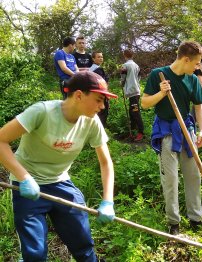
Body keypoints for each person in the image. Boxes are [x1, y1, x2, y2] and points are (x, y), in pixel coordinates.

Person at [0, 71, 117, 261]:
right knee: (35, 255)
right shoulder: (42, 112)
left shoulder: (91, 122)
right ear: (79, 95)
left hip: (60, 183)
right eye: (98, 100)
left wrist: (108, 201)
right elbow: (1, 141)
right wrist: (24, 177)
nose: (102, 106)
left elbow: (106, 162)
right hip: (28, 187)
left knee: (84, 246)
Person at [141, 41, 202, 235]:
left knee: (193, 176)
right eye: (196, 63)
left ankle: (195, 218)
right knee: (170, 178)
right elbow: (144, 103)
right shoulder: (158, 75)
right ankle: (173, 222)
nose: (197, 67)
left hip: (187, 130)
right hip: (166, 131)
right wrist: (161, 93)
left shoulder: (192, 79)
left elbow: (199, 106)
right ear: (186, 59)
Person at [120, 49, 144, 142]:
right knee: (132, 112)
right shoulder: (136, 66)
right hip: (136, 91)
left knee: (135, 112)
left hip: (131, 91)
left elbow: (123, 77)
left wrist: (121, 83)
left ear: (124, 55)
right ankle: (132, 131)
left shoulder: (125, 65)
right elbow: (139, 77)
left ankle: (141, 132)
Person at [90, 51, 110, 127]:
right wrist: (106, 96)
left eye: (101, 57)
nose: (101, 58)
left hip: (93, 95)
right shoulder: (98, 70)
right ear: (93, 59)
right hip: (100, 95)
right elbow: (102, 85)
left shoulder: (91, 69)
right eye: (98, 57)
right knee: (102, 114)